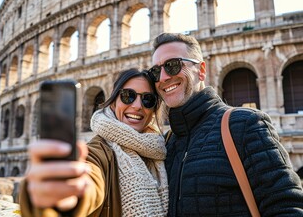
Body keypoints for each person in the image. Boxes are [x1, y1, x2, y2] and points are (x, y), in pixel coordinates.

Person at [148, 32, 303, 216]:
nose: (163, 78)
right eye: (155, 72)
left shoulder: (245, 125)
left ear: (202, 70)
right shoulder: (167, 144)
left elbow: (288, 208)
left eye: (172, 65)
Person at [20, 68, 169, 217]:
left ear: (154, 109)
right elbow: (90, 181)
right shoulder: (98, 151)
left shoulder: (162, 149)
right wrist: (62, 197)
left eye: (148, 99)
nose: (137, 106)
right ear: (113, 103)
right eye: (127, 96)